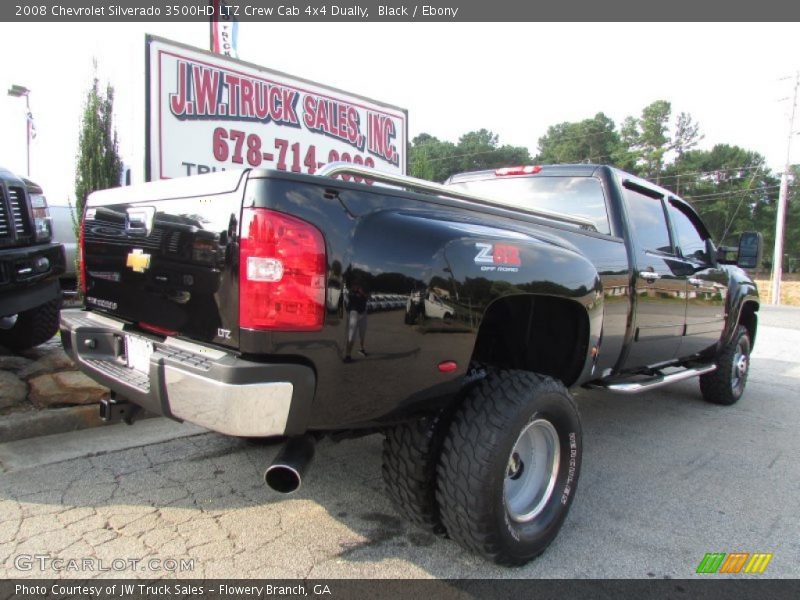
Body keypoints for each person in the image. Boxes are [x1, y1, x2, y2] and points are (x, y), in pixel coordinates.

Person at [344, 283, 369, 363]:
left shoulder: (363, 294)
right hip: (353, 313)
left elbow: (367, 297)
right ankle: (348, 355)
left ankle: (362, 349)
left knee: (362, 333)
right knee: (351, 336)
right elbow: (350, 299)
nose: (358, 288)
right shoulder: (351, 294)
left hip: (363, 313)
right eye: (357, 287)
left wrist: (363, 293)